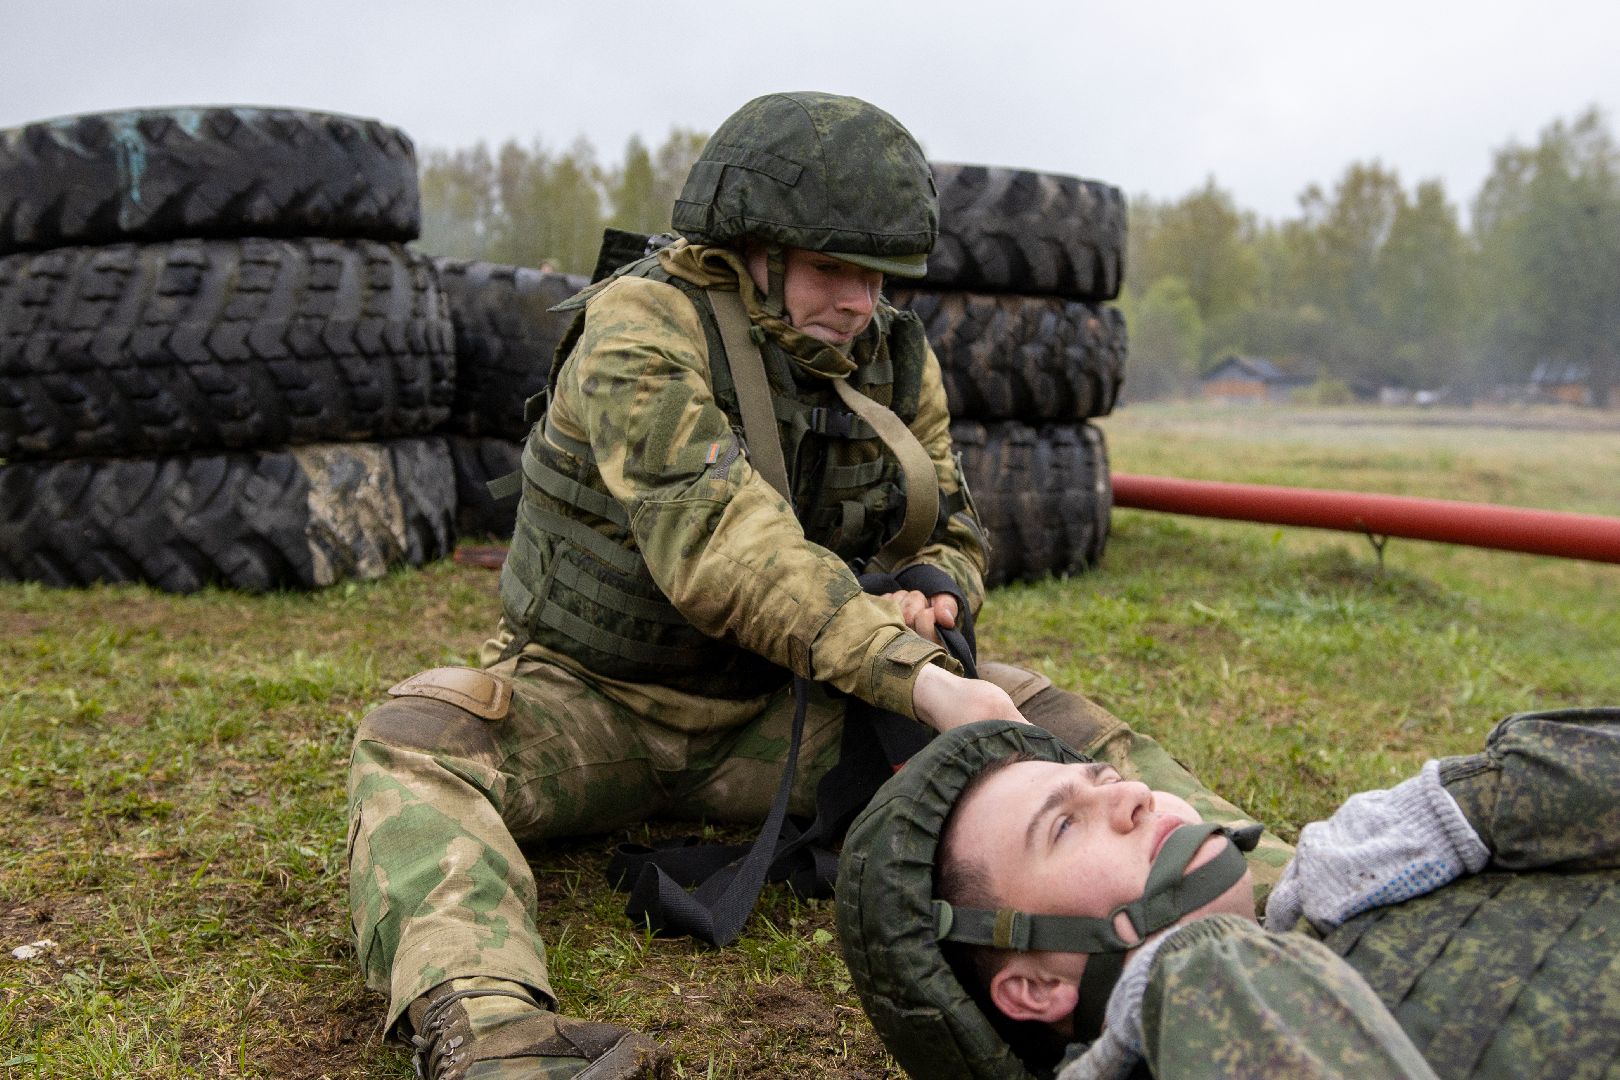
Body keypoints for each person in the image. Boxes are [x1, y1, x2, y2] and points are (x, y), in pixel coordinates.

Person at [345, 91, 1285, 1080]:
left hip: (780, 716)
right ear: (747, 250)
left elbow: (951, 521)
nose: (858, 301)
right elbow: (720, 543)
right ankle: (494, 1038)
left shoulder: (888, 355)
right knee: (417, 741)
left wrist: (937, 591)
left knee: (1043, 713)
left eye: (876, 276)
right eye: (833, 269)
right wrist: (916, 677)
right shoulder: (641, 327)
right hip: (595, 705)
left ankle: (1282, 884)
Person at [836, 707, 1620, 1080]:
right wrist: (1205, 976)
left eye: (1104, 778)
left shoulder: (1377, 878)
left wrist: (1477, 801)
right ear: (1036, 985)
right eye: (1065, 828)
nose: (1133, 797)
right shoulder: (1214, 988)